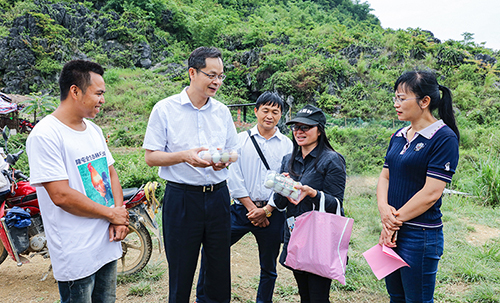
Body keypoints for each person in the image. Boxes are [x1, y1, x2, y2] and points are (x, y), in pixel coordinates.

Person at [26, 60, 129, 303]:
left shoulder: (93, 130)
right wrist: (111, 214)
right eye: (99, 93)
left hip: (106, 242)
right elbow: (61, 195)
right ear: (75, 91)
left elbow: (110, 174)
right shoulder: (46, 135)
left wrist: (119, 214)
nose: (103, 100)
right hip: (76, 251)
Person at [142, 46, 239, 303]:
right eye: (211, 75)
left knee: (219, 271)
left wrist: (223, 162)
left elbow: (233, 151)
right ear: (192, 73)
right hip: (182, 198)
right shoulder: (165, 109)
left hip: (218, 197)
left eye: (220, 76)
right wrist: (184, 156)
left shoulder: (222, 112)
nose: (217, 81)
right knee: (181, 271)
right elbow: (151, 156)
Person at [196, 92, 293, 303]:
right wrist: (252, 209)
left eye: (275, 112)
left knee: (269, 266)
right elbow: (233, 176)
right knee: (212, 251)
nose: (270, 116)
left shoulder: (287, 145)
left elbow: (286, 181)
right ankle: (203, 298)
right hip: (241, 211)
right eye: (265, 110)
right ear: (256, 111)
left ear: (281, 115)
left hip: (272, 214)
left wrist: (267, 209)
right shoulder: (240, 140)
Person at [377, 71, 460, 302]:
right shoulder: (399, 135)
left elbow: (431, 193)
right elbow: (385, 177)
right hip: (392, 231)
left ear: (425, 102)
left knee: (418, 299)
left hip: (420, 235)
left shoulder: (444, 138)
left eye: (402, 98)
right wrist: (385, 212)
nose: (396, 104)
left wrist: (393, 221)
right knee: (396, 296)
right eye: (395, 98)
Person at [271, 104, 346, 303]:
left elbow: (336, 204)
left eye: (306, 127)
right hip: (295, 233)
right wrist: (281, 187)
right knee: (304, 295)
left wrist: (312, 193)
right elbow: (279, 204)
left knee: (318, 297)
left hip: (319, 238)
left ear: (319, 130)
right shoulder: (289, 159)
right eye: (296, 127)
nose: (299, 131)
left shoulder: (332, 160)